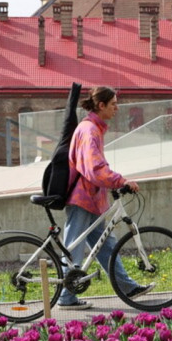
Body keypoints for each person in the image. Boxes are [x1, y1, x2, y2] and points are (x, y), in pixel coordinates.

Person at [57, 86, 153, 308]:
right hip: (82, 199)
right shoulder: (89, 130)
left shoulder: (93, 128)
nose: (117, 108)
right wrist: (120, 181)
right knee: (73, 249)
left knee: (106, 246)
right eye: (113, 104)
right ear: (101, 105)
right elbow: (94, 168)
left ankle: (127, 287)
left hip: (92, 199)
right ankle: (66, 297)